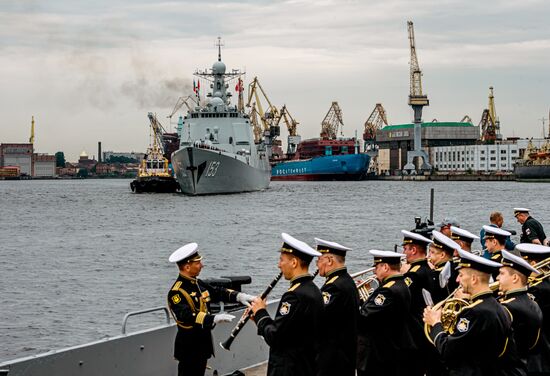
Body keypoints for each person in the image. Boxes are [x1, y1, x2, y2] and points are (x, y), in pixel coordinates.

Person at [423, 249, 521, 376]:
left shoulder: (474, 312)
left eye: (461, 275)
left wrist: (435, 323)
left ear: (474, 279)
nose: (457, 280)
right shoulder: (499, 307)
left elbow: (448, 350)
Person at [167, 243, 256, 376]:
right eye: (198, 263)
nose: (201, 265)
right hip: (189, 346)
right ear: (187, 266)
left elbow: (217, 292)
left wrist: (239, 296)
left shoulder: (197, 283)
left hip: (203, 343)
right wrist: (213, 318)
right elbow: (186, 316)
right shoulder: (177, 292)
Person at [250, 233, 324, 376]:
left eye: (281, 260)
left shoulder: (294, 295)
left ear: (294, 262)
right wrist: (259, 320)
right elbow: (289, 332)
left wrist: (260, 312)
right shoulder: (313, 290)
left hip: (289, 369)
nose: (279, 264)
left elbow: (276, 337)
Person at [357, 250, 418, 376]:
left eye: (377, 267)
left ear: (385, 267)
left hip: (380, 352)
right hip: (392, 347)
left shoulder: (387, 290)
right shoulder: (400, 284)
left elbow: (364, 317)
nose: (374, 271)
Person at [314, 237, 360, 376]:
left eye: (319, 260)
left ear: (329, 260)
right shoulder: (346, 280)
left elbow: (317, 316)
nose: (317, 265)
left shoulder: (333, 286)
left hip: (333, 360)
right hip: (345, 355)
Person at [401, 230, 441, 376]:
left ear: (413, 250)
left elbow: (401, 297)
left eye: (405, 249)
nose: (403, 253)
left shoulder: (414, 273)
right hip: (423, 327)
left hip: (413, 330)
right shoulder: (428, 270)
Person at [498, 249, 543, 374]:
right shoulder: (533, 303)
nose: (497, 277)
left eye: (501, 273)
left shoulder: (507, 308)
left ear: (515, 278)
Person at [515, 243, 550, 375]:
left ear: (533, 264)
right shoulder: (544, 283)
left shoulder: (536, 289)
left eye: (524, 262)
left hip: (539, 349)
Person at [429, 230, 462, 303]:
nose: (428, 256)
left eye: (432, 252)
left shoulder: (437, 274)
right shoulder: (456, 267)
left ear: (442, 255)